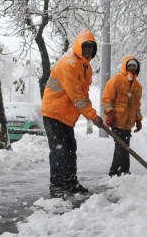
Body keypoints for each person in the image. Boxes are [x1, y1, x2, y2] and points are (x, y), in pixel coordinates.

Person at [40, 28, 103, 198]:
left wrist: (92, 115)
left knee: (69, 149)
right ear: (78, 46)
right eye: (86, 47)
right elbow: (77, 96)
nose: (88, 51)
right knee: (59, 149)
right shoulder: (69, 64)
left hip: (65, 115)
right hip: (54, 112)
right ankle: (57, 185)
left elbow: (84, 95)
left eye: (91, 48)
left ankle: (70, 182)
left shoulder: (85, 67)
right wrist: (93, 116)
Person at [102, 55, 143, 177]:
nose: (131, 68)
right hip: (117, 120)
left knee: (121, 146)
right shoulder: (117, 80)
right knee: (123, 146)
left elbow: (137, 106)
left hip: (128, 123)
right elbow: (107, 98)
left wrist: (138, 120)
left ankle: (114, 171)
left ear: (137, 68)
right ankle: (124, 172)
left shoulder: (137, 86)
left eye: (134, 66)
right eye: (129, 65)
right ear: (125, 66)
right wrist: (109, 113)